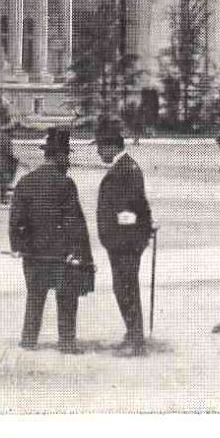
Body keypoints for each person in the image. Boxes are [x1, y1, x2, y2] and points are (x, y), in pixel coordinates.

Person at [9, 127, 94, 354]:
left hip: (34, 256)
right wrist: (81, 254)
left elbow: (16, 220)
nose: (68, 161)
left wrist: (20, 247)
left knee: (35, 298)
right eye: (66, 156)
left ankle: (28, 340)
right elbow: (74, 223)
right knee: (66, 299)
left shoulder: (25, 181)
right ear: (59, 156)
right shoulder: (65, 184)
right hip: (60, 256)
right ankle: (66, 342)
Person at [95, 126, 153, 356]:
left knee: (126, 288)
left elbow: (131, 208)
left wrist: (132, 234)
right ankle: (132, 333)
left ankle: (136, 340)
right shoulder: (125, 166)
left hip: (124, 244)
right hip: (123, 242)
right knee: (124, 288)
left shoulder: (124, 169)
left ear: (111, 147)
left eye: (100, 148)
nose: (99, 153)